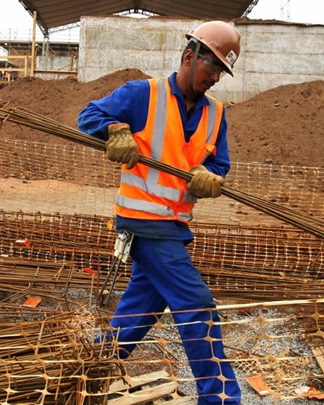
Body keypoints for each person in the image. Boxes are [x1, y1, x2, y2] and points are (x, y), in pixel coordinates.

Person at [77, 21, 242, 405]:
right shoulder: (142, 95)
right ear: (189, 56)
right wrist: (115, 129)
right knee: (196, 303)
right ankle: (221, 399)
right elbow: (87, 116)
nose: (215, 77)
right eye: (212, 67)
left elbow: (219, 166)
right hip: (144, 223)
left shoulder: (216, 115)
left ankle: (90, 367)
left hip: (174, 225)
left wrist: (209, 177)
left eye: (222, 71)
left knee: (142, 307)